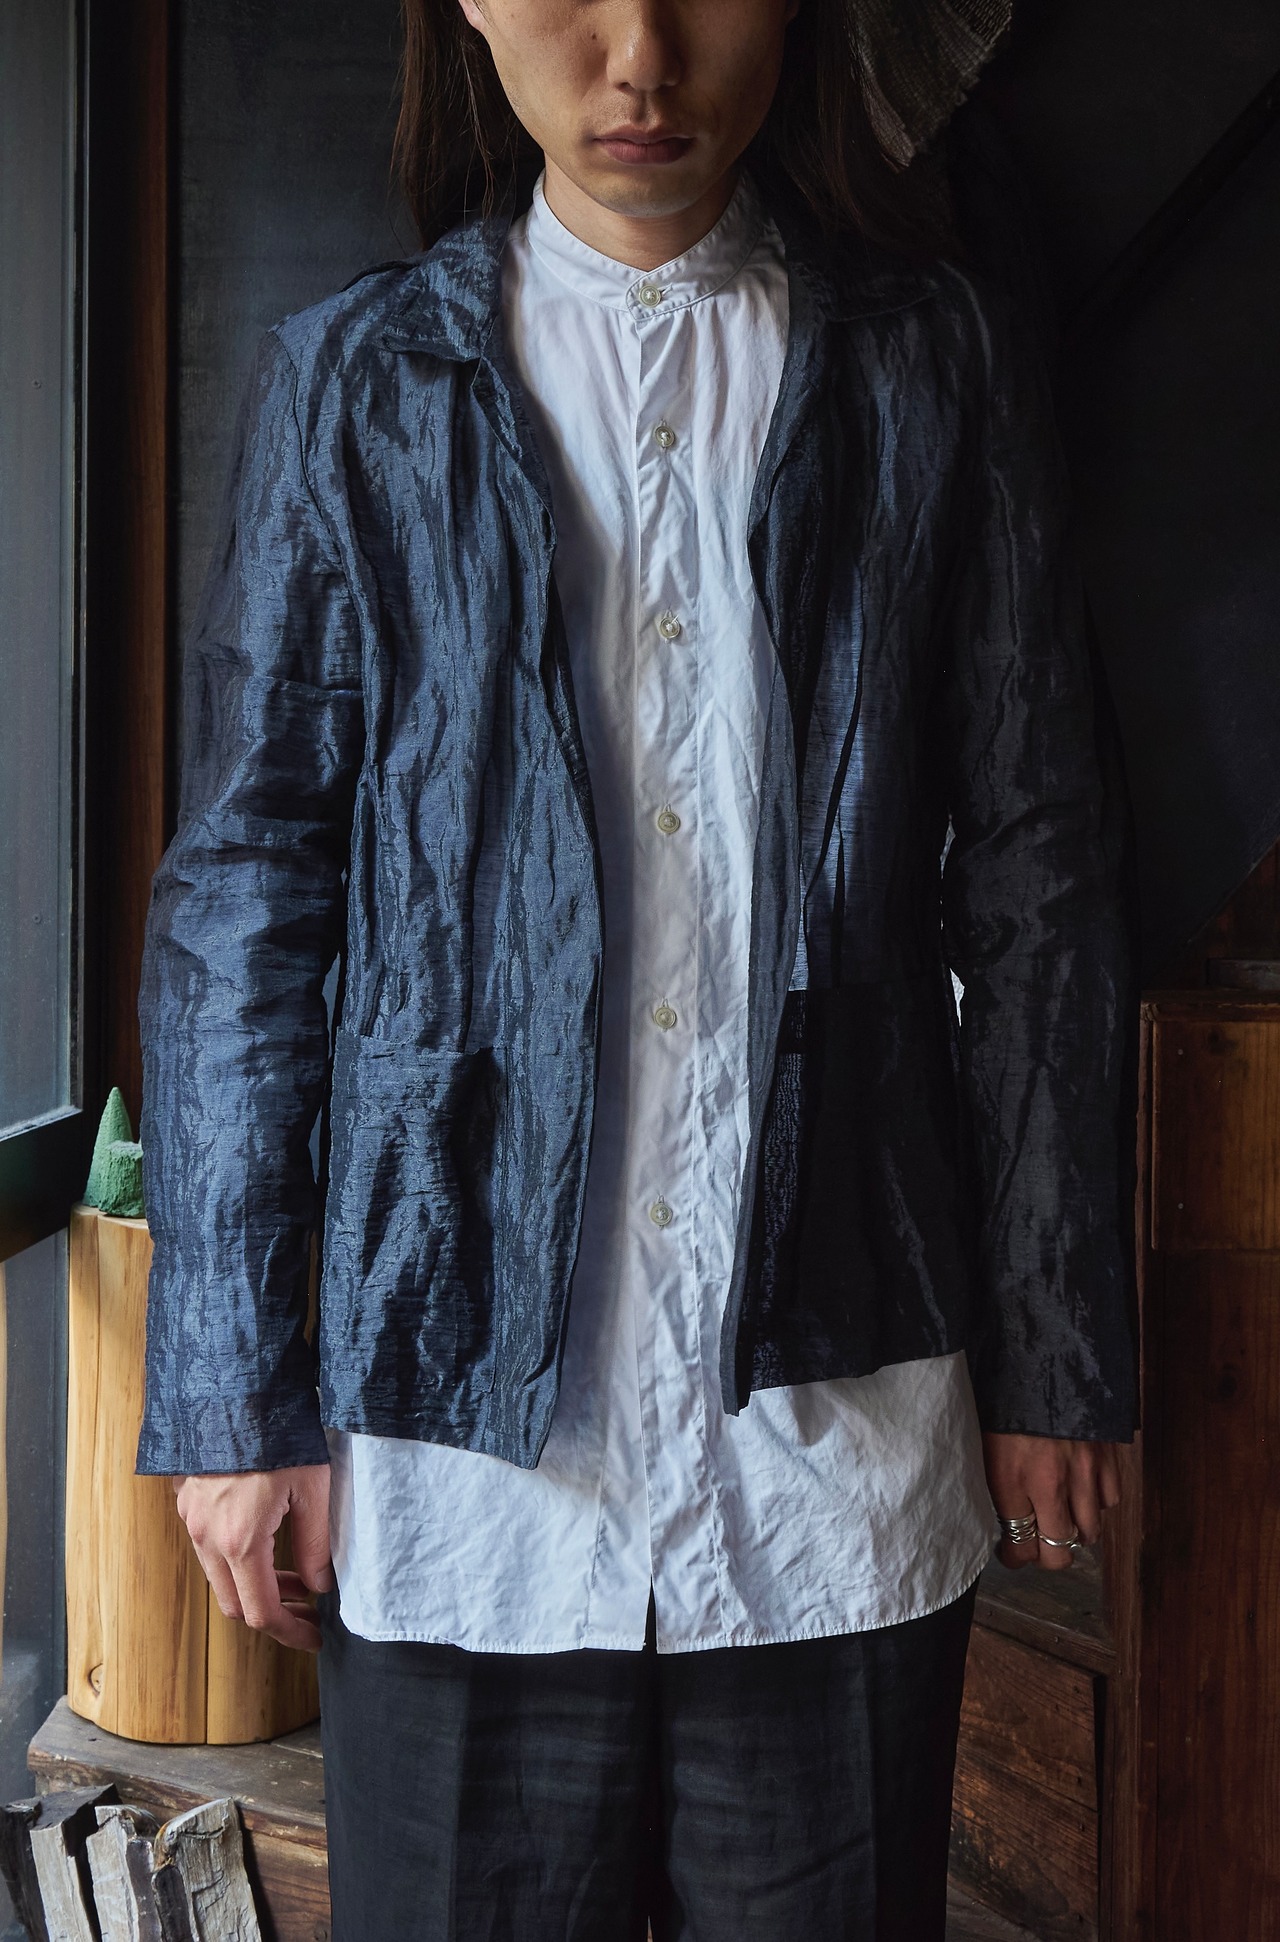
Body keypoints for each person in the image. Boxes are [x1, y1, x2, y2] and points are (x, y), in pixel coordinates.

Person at [135, 1, 1139, 1935]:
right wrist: (229, 1393)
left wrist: (1058, 1340)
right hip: (453, 1449)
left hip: (837, 1437)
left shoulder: (931, 364)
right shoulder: (353, 384)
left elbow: (1041, 873)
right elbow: (247, 899)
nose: (640, 54)